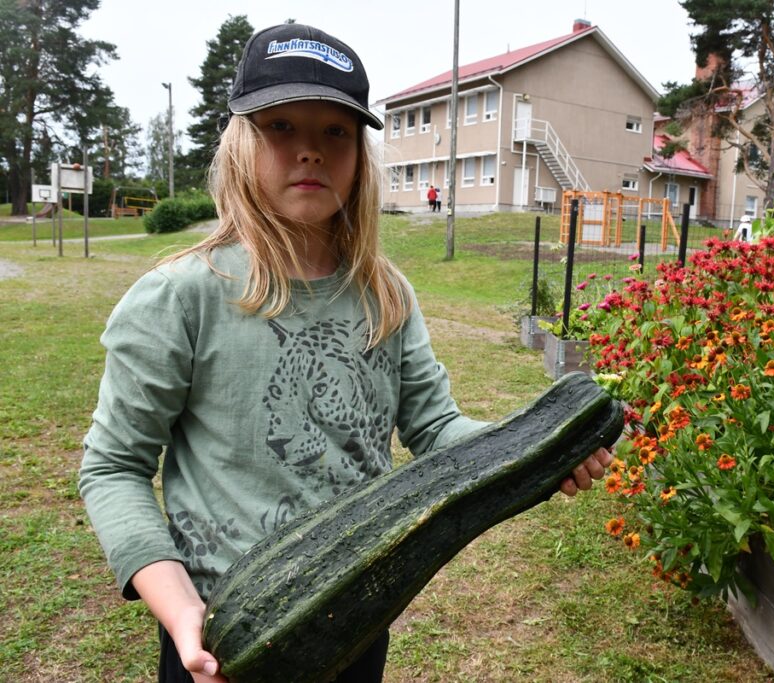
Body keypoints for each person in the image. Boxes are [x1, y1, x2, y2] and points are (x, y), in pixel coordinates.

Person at [78, 23, 612, 683]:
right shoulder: (181, 298)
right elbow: (112, 467)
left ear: (361, 154)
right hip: (218, 634)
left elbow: (438, 430)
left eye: (335, 132)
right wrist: (180, 606)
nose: (309, 151)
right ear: (241, 143)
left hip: (354, 620)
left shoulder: (385, 295)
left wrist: (541, 448)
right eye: (281, 127)